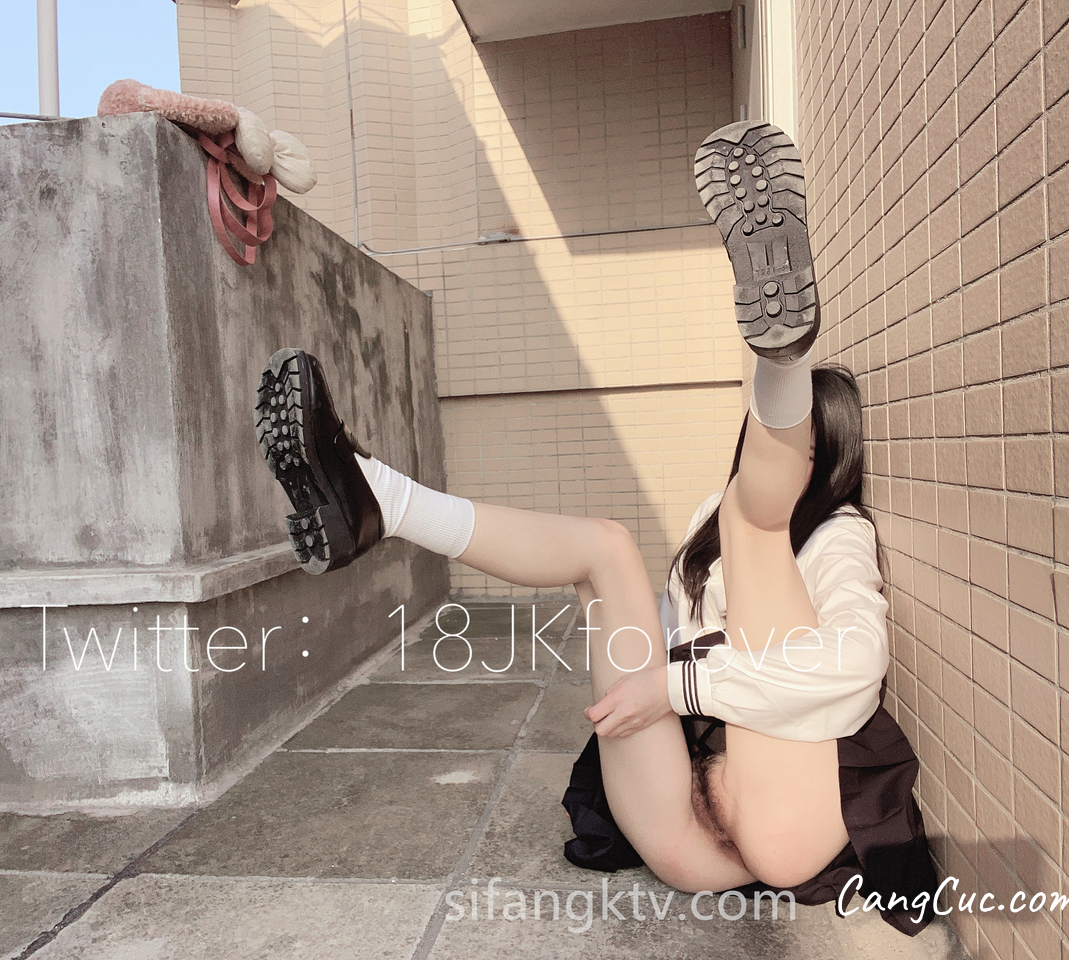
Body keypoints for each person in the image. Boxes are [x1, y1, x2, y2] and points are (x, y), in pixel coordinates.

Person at [254, 121, 935, 935]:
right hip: (685, 831)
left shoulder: (836, 536)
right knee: (605, 548)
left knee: (754, 525)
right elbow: (664, 646)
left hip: (786, 827)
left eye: (795, 442)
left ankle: (782, 359)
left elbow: (857, 664)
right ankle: (380, 504)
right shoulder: (710, 526)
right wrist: (659, 670)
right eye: (773, 432)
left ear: (825, 461)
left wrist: (676, 687)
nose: (774, 458)